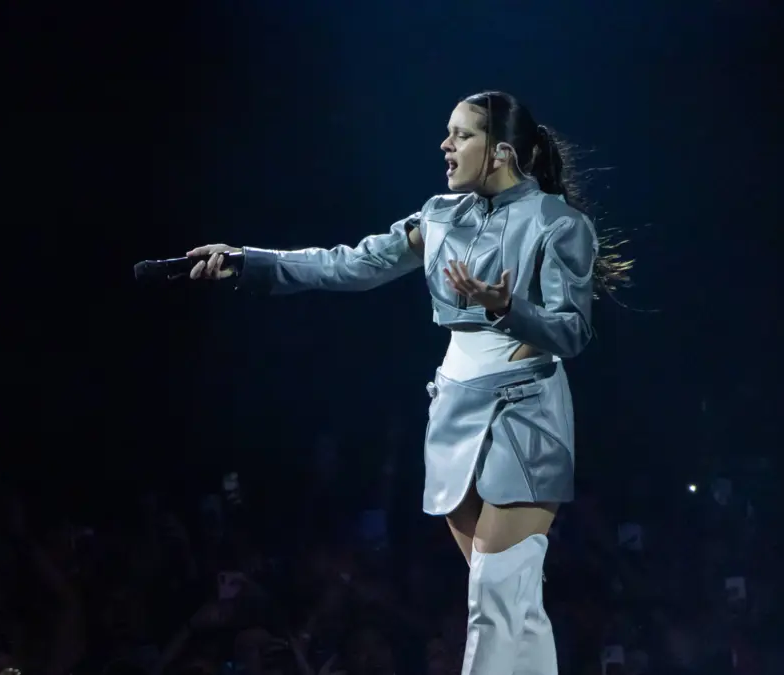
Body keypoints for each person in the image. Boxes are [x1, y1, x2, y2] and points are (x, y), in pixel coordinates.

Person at [186, 91, 631, 674]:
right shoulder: (440, 217)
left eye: (461, 135)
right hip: (454, 408)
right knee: (511, 603)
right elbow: (349, 264)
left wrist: (506, 308)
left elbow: (572, 332)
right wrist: (250, 260)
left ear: (500, 151)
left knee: (496, 594)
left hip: (524, 412)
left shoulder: (559, 223)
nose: (445, 145)